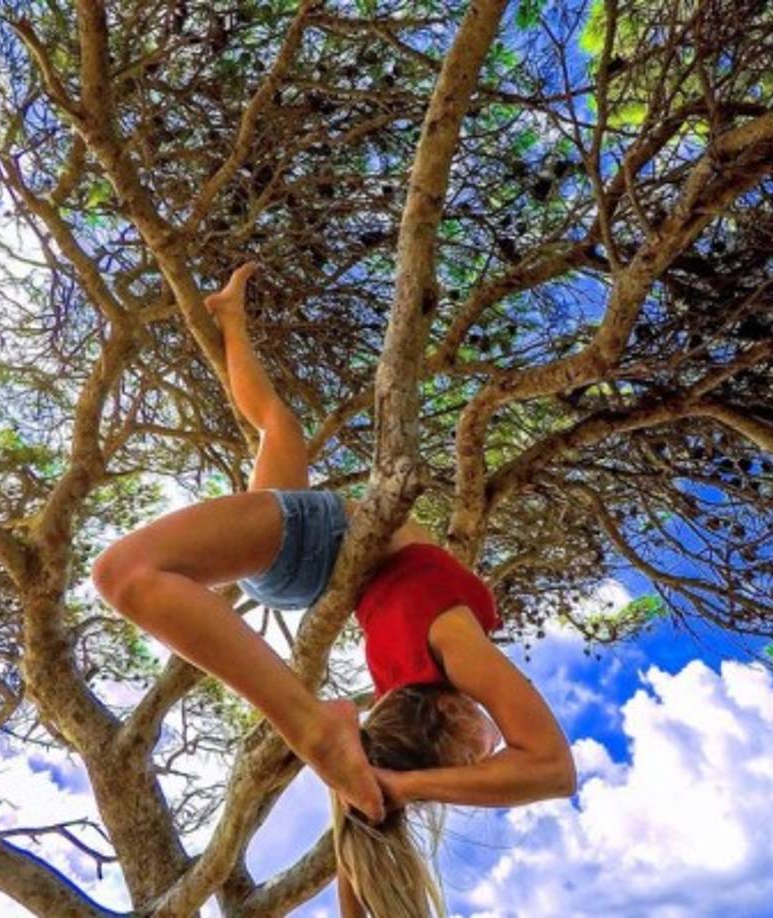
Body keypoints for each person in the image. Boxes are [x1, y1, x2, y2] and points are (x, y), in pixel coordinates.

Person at [91, 263, 576, 918]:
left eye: (478, 747)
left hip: (314, 542)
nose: (489, 736)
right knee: (277, 429)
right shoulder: (390, 690)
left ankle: (303, 721)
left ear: (454, 721)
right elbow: (361, 826)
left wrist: (395, 778)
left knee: (124, 572)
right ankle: (229, 316)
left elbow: (550, 769)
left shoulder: (453, 648)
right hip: (296, 580)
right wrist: (390, 792)